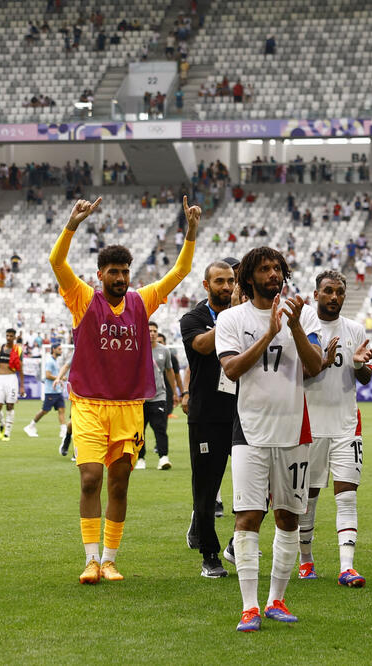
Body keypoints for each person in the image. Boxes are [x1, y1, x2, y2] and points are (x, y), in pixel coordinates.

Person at [49, 196, 199, 584]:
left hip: (129, 407)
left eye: (125, 271)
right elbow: (57, 263)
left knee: (119, 482)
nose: (121, 277)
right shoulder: (83, 299)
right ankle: (90, 559)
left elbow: (180, 271)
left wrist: (191, 232)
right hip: (88, 404)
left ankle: (111, 560)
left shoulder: (141, 301)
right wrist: (72, 225)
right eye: (114, 271)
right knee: (89, 480)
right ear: (100, 274)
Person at [216, 246, 323, 631]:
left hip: (294, 429)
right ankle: (249, 607)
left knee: (289, 516)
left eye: (277, 268)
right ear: (249, 277)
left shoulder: (303, 314)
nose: (273, 274)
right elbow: (231, 369)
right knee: (248, 516)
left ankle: (277, 598)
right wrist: (269, 334)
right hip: (249, 430)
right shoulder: (231, 318)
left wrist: (292, 326)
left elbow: (315, 367)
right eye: (265, 268)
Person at [300, 270, 372, 585]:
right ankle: (306, 562)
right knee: (308, 497)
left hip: (346, 426)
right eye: (328, 291)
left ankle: (347, 566)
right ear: (316, 294)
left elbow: (366, 376)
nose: (334, 297)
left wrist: (358, 364)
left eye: (340, 292)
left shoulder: (355, 330)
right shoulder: (303, 328)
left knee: (346, 497)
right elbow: (297, 375)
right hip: (309, 427)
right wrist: (322, 362)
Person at [181, 258, 238, 577]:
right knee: (206, 489)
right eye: (220, 281)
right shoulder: (194, 318)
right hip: (207, 416)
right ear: (207, 285)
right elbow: (202, 346)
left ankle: (235, 543)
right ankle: (210, 554)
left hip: (244, 414)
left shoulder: (244, 315)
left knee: (263, 488)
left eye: (231, 281)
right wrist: (231, 321)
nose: (227, 287)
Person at [135, 322, 175, 471]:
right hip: (139, 397)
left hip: (159, 395)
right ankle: (140, 458)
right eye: (149, 330)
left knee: (160, 428)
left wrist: (175, 392)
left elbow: (169, 371)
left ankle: (163, 457)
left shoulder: (164, 351)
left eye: (154, 331)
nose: (152, 333)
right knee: (139, 430)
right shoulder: (137, 349)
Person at [0, 327, 25, 440]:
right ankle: (2, 424)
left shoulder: (18, 350)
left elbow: (21, 369)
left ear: (15, 337)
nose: (8, 338)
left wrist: (22, 386)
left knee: (10, 405)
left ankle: (7, 432)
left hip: (12, 379)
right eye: (7, 335)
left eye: (11, 336)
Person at [23, 343, 66, 441]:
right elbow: (47, 375)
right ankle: (31, 426)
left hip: (57, 391)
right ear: (53, 349)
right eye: (59, 349)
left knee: (61, 410)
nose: (61, 351)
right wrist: (60, 378)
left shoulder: (55, 361)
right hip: (50, 391)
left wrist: (59, 380)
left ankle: (63, 431)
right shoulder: (50, 361)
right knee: (45, 410)